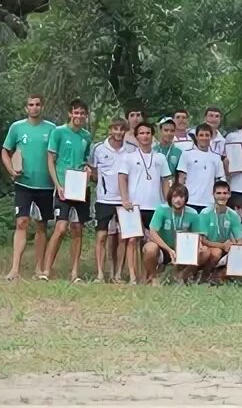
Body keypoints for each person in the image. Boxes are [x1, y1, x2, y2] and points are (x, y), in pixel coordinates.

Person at [1, 94, 57, 281]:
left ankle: (39, 268)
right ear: (26, 108)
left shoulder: (51, 129)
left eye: (37, 104)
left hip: (45, 185)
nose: (34, 107)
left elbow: (58, 155)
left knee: (41, 225)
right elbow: (5, 151)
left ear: (42, 106)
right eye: (31, 105)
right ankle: (14, 269)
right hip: (23, 183)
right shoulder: (17, 128)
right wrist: (11, 170)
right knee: (21, 222)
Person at [41, 98, 93, 282]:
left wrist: (88, 169)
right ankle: (46, 271)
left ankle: (74, 273)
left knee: (77, 228)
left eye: (82, 113)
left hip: (80, 188)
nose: (79, 116)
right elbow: (50, 160)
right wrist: (57, 185)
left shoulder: (86, 136)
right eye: (75, 113)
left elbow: (86, 160)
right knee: (61, 228)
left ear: (86, 116)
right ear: (70, 114)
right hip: (63, 186)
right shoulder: (59, 132)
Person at [118, 122, 172, 284]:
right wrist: (125, 199)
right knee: (133, 240)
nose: (145, 136)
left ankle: (150, 275)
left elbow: (165, 181)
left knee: (152, 242)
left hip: (155, 206)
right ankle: (134, 276)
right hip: (134, 206)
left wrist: (168, 202)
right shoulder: (128, 157)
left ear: (152, 135)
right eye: (141, 133)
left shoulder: (160, 157)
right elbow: (122, 178)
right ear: (136, 136)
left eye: (148, 133)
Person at [91, 117, 135, 283]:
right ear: (110, 130)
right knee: (101, 237)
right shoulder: (98, 149)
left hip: (125, 200)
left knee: (123, 238)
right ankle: (100, 274)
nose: (118, 132)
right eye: (115, 129)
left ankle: (117, 274)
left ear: (125, 131)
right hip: (104, 199)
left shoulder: (131, 150)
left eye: (121, 129)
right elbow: (93, 172)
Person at [143, 184, 204, 286]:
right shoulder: (161, 209)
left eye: (181, 197)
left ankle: (180, 276)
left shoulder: (193, 213)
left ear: (186, 198)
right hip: (163, 247)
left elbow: (197, 235)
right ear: (170, 197)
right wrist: (168, 249)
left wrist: (200, 245)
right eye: (175, 196)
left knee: (204, 251)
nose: (178, 200)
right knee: (150, 249)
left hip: (182, 249)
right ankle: (153, 277)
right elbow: (152, 232)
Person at [199, 181, 242, 281]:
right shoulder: (205, 213)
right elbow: (203, 240)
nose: (222, 196)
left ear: (229, 195)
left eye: (225, 193)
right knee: (216, 252)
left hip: (226, 247)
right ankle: (203, 276)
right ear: (213, 194)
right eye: (219, 193)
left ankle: (219, 276)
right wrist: (221, 246)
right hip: (209, 246)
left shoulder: (233, 215)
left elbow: (239, 240)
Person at [177, 124, 226, 212]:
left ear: (211, 137)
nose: (204, 138)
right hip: (189, 201)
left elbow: (220, 181)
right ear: (196, 137)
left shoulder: (216, 158)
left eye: (207, 135)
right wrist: (180, 198)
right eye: (201, 135)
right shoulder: (186, 154)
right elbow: (181, 178)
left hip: (209, 203)